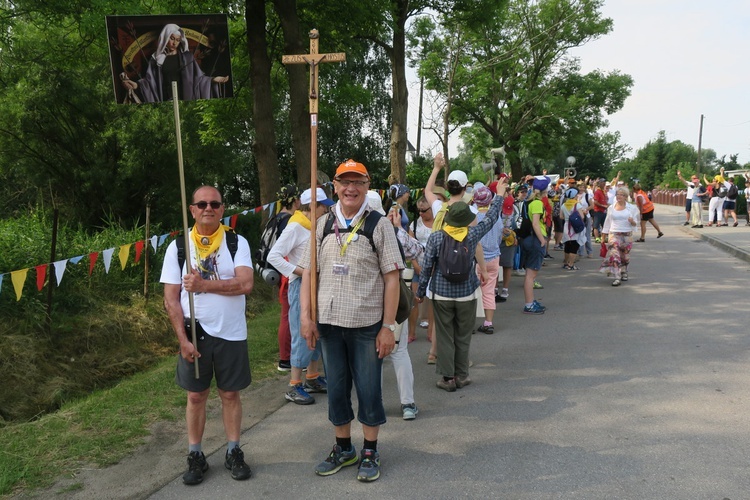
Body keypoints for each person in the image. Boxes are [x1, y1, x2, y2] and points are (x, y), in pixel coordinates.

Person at [299, 159, 404, 483]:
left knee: (369, 390)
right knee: (337, 391)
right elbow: (308, 276)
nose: (351, 188)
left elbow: (392, 278)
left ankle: (370, 450)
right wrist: (305, 317)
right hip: (329, 326)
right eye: (345, 182)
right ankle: (344, 448)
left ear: (367, 186)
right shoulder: (321, 224)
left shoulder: (379, 224)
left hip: (366, 328)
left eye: (357, 182)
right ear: (335, 187)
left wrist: (388, 327)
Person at [160, 186, 253, 485]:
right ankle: (196, 454)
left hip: (231, 332)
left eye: (214, 204)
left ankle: (233, 450)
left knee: (230, 394)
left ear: (222, 208)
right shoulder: (178, 247)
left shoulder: (236, 242)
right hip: (194, 333)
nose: (208, 208)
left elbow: (245, 284)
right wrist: (181, 339)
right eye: (201, 204)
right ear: (192, 209)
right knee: (196, 396)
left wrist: (203, 285)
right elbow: (171, 299)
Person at [416, 176, 508, 391]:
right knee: (463, 336)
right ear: (466, 219)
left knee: (446, 335)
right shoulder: (472, 233)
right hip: (467, 294)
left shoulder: (436, 237)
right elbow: (491, 217)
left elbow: (427, 266)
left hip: (441, 295)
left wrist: (421, 292)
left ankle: (447, 379)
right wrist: (500, 195)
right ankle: (462, 375)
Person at [267, 188, 334, 405]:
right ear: (312, 206)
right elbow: (274, 256)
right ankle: (294, 384)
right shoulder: (296, 226)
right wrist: (300, 271)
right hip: (301, 286)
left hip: (318, 285)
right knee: (302, 334)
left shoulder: (316, 226)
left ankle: (312, 378)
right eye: (324, 206)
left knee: (318, 331)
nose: (327, 209)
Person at [373, 191, 421, 421]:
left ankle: (377, 403)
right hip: (396, 297)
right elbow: (417, 250)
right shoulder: (390, 231)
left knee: (376, 356)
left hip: (369, 301)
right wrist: (399, 227)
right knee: (399, 351)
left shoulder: (353, 233)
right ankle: (407, 403)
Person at [121, 24, 229, 102]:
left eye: (177, 40)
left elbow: (199, 79)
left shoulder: (187, 57)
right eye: (172, 39)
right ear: (165, 38)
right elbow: (150, 83)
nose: (175, 43)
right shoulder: (156, 59)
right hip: (166, 101)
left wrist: (213, 80)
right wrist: (135, 85)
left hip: (185, 100)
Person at [272, 184, 301, 372]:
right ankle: (286, 359)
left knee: (287, 316)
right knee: (289, 317)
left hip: (281, 272)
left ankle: (288, 356)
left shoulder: (275, 218)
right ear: (295, 200)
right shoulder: (288, 221)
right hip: (287, 272)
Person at [472, 185, 503, 334]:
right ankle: (488, 322)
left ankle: (469, 323)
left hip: (477, 259)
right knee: (489, 290)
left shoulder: (473, 218)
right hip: (494, 257)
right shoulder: (496, 218)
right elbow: (500, 236)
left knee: (471, 292)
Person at [520, 176, 550, 314]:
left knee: (529, 274)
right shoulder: (537, 203)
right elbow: (536, 223)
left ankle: (530, 301)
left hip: (529, 239)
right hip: (535, 239)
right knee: (531, 275)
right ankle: (529, 304)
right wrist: (542, 240)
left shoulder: (529, 201)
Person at [600, 186, 639, 286]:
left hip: (627, 234)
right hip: (614, 233)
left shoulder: (632, 208)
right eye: (617, 194)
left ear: (626, 196)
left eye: (621, 195)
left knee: (625, 257)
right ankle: (617, 277)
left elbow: (635, 224)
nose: (619, 196)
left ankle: (624, 271)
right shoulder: (611, 207)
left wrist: (632, 221)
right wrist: (603, 236)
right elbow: (607, 222)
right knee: (614, 255)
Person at [560, 187, 589, 270]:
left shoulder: (564, 205)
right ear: (574, 196)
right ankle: (571, 264)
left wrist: (567, 217)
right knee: (574, 245)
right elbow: (582, 216)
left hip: (566, 226)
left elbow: (561, 216)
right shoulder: (577, 204)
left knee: (567, 245)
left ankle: (566, 263)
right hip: (575, 227)